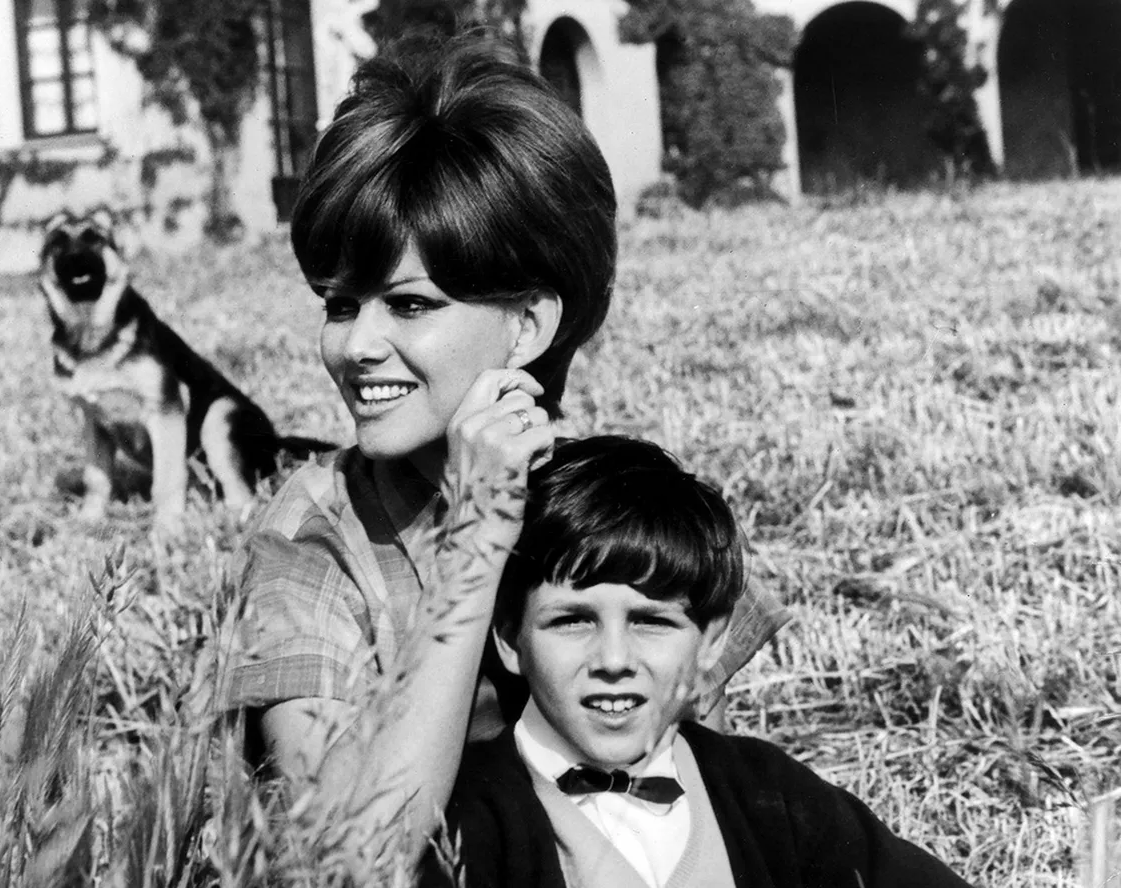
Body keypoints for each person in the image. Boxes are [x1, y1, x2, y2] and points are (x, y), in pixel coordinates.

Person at [208, 33, 789, 864]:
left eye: (409, 305)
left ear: (528, 325)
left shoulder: (606, 506)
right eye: (339, 305)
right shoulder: (314, 537)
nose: (356, 346)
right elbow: (345, 856)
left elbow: (693, 796)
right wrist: (476, 541)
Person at [429, 435, 972, 888]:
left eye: (651, 622)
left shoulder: (764, 792)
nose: (613, 659)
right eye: (573, 621)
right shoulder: (467, 822)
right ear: (509, 638)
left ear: (710, 641)